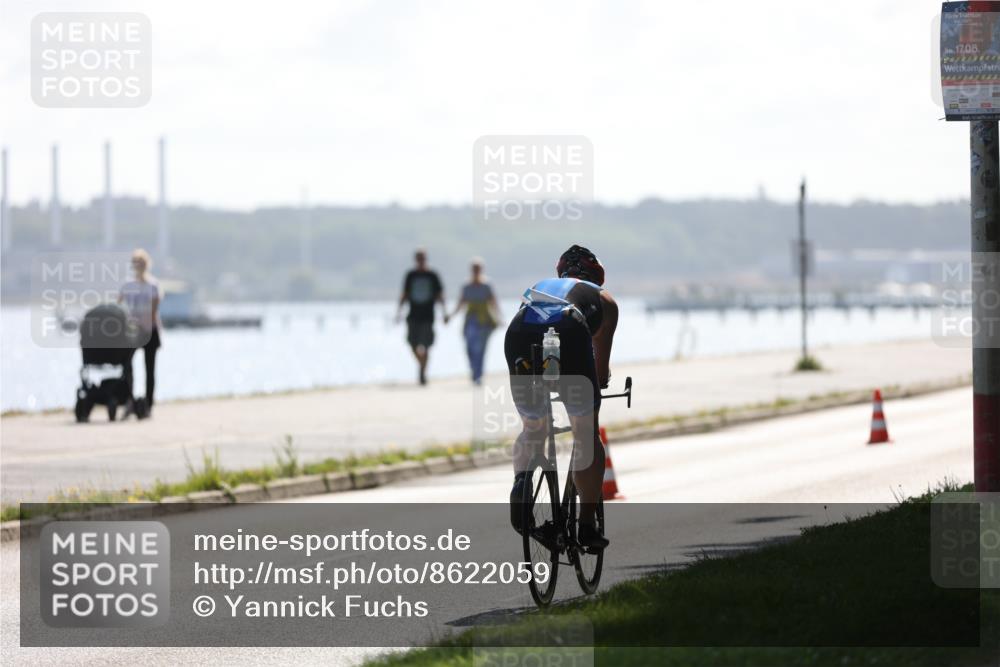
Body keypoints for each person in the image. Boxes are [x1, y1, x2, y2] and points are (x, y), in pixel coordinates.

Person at [505, 245, 618, 550]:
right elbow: (600, 368)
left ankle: (522, 484)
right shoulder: (605, 300)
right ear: (597, 276)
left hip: (518, 332)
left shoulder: (539, 287)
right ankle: (586, 525)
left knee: (533, 426)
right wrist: (597, 384)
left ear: (560, 273)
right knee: (585, 434)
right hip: (570, 329)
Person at [118, 248, 162, 415]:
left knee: (149, 369)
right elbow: (119, 305)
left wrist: (145, 325)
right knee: (126, 365)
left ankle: (148, 404)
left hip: (149, 331)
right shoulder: (127, 285)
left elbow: (153, 311)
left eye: (142, 263)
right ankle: (129, 400)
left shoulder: (153, 285)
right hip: (133, 331)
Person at [396, 249, 447, 385]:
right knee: (412, 344)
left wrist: (444, 313)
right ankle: (422, 366)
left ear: (426, 259)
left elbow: (440, 295)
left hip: (428, 316)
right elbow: (404, 294)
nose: (420, 260)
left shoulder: (432, 275)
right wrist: (399, 312)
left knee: (426, 346)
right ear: (415, 259)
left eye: (422, 258)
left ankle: (422, 373)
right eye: (418, 258)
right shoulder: (411, 275)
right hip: (413, 315)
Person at [448, 258, 500, 385]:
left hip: (485, 322)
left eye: (478, 269)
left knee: (481, 349)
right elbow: (460, 303)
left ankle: (478, 375)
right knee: (470, 349)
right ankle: (474, 370)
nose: (476, 271)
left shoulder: (487, 285)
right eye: (474, 269)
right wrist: (450, 316)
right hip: (471, 321)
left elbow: (493, 302)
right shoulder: (466, 286)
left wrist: (500, 317)